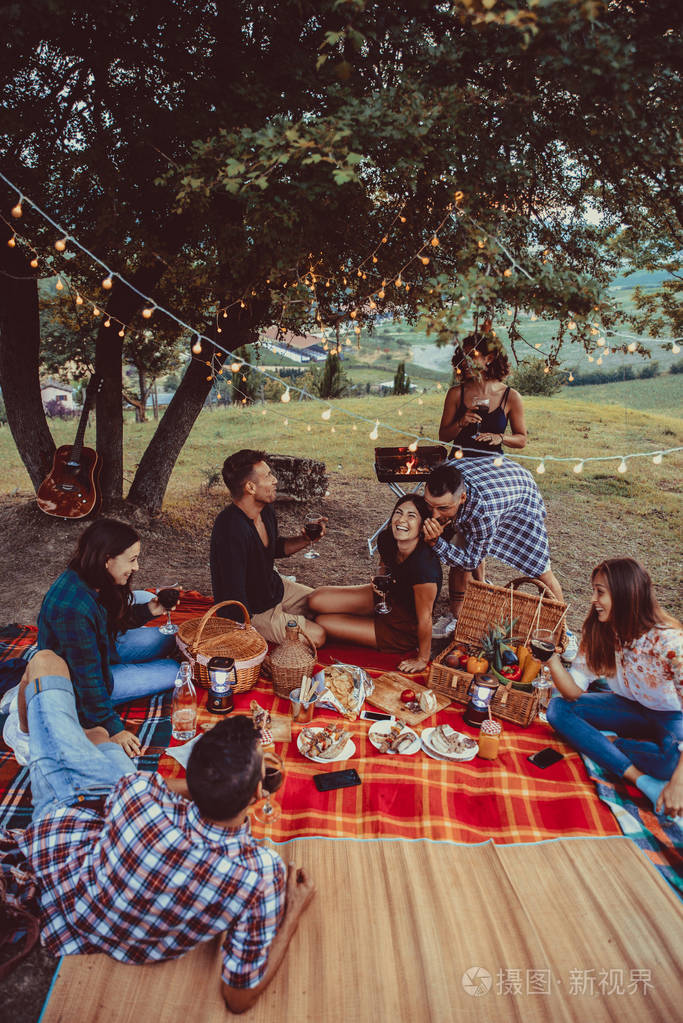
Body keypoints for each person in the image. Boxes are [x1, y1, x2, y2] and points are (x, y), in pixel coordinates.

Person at [4, 651, 315, 1013]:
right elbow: (237, 998)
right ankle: (31, 741)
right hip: (73, 803)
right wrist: (294, 910)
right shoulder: (260, 873)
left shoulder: (141, 795)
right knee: (97, 731)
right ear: (258, 793)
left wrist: (227, 780)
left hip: (69, 834)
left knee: (46, 665)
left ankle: (47, 737)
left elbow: (145, 786)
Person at [545, 559, 683, 818]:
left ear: (624, 594)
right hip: (628, 707)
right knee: (557, 709)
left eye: (600, 592)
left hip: (671, 715)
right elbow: (574, 691)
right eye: (593, 591)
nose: (593, 599)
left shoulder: (669, 641)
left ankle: (608, 744)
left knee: (672, 764)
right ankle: (642, 780)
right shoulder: (602, 630)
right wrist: (550, 659)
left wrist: (679, 782)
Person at [36, 518, 179, 758]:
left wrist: (150, 611)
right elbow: (87, 678)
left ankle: (128, 664)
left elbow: (111, 620)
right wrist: (112, 728)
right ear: (107, 559)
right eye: (132, 560)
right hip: (83, 684)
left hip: (100, 648)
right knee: (175, 670)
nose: (137, 567)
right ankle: (127, 670)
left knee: (170, 635)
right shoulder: (74, 610)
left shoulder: (94, 579)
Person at [423, 460, 564, 629]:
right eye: (429, 505)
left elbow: (470, 561)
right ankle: (456, 614)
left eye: (443, 508)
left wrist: (436, 543)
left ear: (462, 497)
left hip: (521, 492)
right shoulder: (446, 474)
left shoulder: (483, 512)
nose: (434, 515)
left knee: (540, 567)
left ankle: (562, 628)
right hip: (491, 479)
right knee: (461, 546)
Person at [308, 495, 442, 673]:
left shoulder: (424, 568)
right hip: (384, 598)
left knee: (322, 622)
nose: (401, 520)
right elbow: (383, 566)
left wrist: (423, 659)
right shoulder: (387, 539)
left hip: (399, 628)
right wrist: (380, 579)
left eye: (411, 516)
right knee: (315, 599)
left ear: (422, 525)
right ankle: (363, 617)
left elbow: (425, 619)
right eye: (398, 512)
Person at [210, 450, 326, 646]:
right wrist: (246, 636)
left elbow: (272, 549)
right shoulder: (230, 530)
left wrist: (305, 540)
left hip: (273, 589)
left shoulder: (265, 510)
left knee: (324, 603)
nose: (274, 480)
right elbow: (233, 596)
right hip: (253, 611)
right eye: (268, 476)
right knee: (319, 635)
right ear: (250, 487)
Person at [438, 332, 528, 459]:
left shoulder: (511, 397)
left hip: (495, 464)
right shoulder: (456, 394)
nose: (464, 362)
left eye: (471, 357)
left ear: (489, 359)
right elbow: (443, 438)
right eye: (463, 357)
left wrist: (500, 437)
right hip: (460, 462)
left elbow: (522, 440)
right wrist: (460, 423)